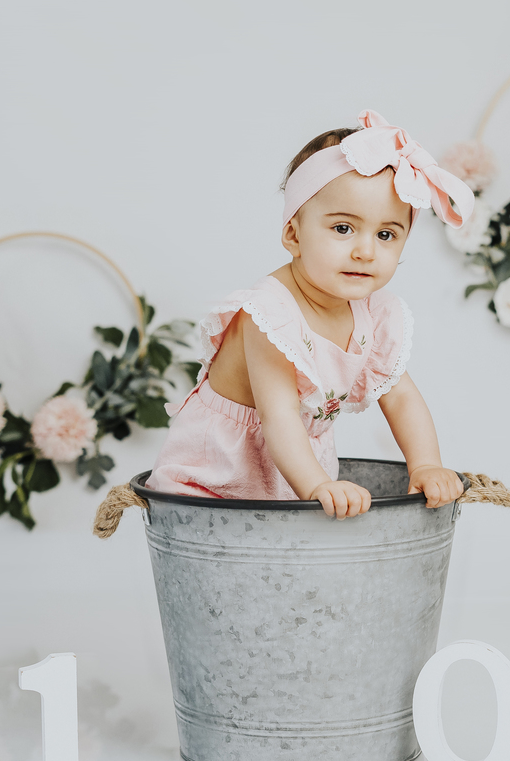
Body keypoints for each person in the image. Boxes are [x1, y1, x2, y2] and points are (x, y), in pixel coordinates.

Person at [145, 110, 474, 519]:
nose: (365, 251)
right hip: (214, 481)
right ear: (294, 235)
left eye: (386, 234)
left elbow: (402, 397)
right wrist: (317, 485)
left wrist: (425, 464)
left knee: (298, 555)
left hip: (292, 477)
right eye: (343, 228)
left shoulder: (373, 315)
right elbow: (279, 415)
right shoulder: (269, 315)